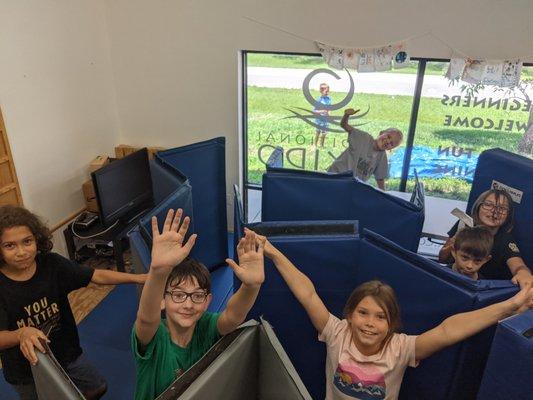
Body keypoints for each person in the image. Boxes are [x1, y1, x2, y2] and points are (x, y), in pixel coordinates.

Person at [252, 228, 533, 400]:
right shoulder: (337, 332)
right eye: (363, 313)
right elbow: (307, 293)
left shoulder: (400, 348)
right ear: (349, 315)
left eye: (380, 317)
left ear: (392, 324)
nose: (370, 324)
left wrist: (509, 306)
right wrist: (273, 252)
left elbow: (450, 330)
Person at [0, 205, 147, 400]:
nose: (21, 251)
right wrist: (21, 333)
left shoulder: (52, 265)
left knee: (97, 386)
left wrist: (138, 278)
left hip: (67, 352)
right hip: (26, 370)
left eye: (27, 241)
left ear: (36, 239)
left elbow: (97, 275)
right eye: (9, 245)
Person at [132, 209, 264, 400]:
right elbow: (145, 319)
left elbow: (233, 316)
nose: (188, 304)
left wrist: (250, 286)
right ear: (162, 300)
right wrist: (158, 271)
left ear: (208, 300)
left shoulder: (206, 327)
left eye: (197, 296)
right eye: (178, 295)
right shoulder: (156, 338)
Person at [439, 189, 533, 288]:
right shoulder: (464, 224)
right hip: (456, 281)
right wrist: (451, 246)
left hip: (485, 290)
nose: (494, 211)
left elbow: (518, 264)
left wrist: (523, 273)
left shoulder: (504, 239)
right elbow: (442, 259)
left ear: (508, 215)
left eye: (502, 208)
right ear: (478, 206)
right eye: (488, 205)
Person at [327, 108, 403, 190]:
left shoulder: (381, 157)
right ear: (381, 133)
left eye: (391, 144)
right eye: (388, 136)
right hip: (335, 177)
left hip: (353, 187)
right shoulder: (362, 137)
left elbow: (380, 178)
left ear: (390, 149)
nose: (388, 141)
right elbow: (344, 125)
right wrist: (346, 115)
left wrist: (383, 195)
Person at [313, 83, 332, 148]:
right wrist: (322, 111)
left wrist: (329, 114)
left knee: (324, 133)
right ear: (321, 91)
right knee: (318, 132)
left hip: (326, 119)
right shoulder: (319, 100)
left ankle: (321, 145)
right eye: (326, 91)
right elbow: (314, 111)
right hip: (319, 119)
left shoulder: (329, 99)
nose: (327, 92)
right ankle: (315, 144)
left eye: (328, 91)